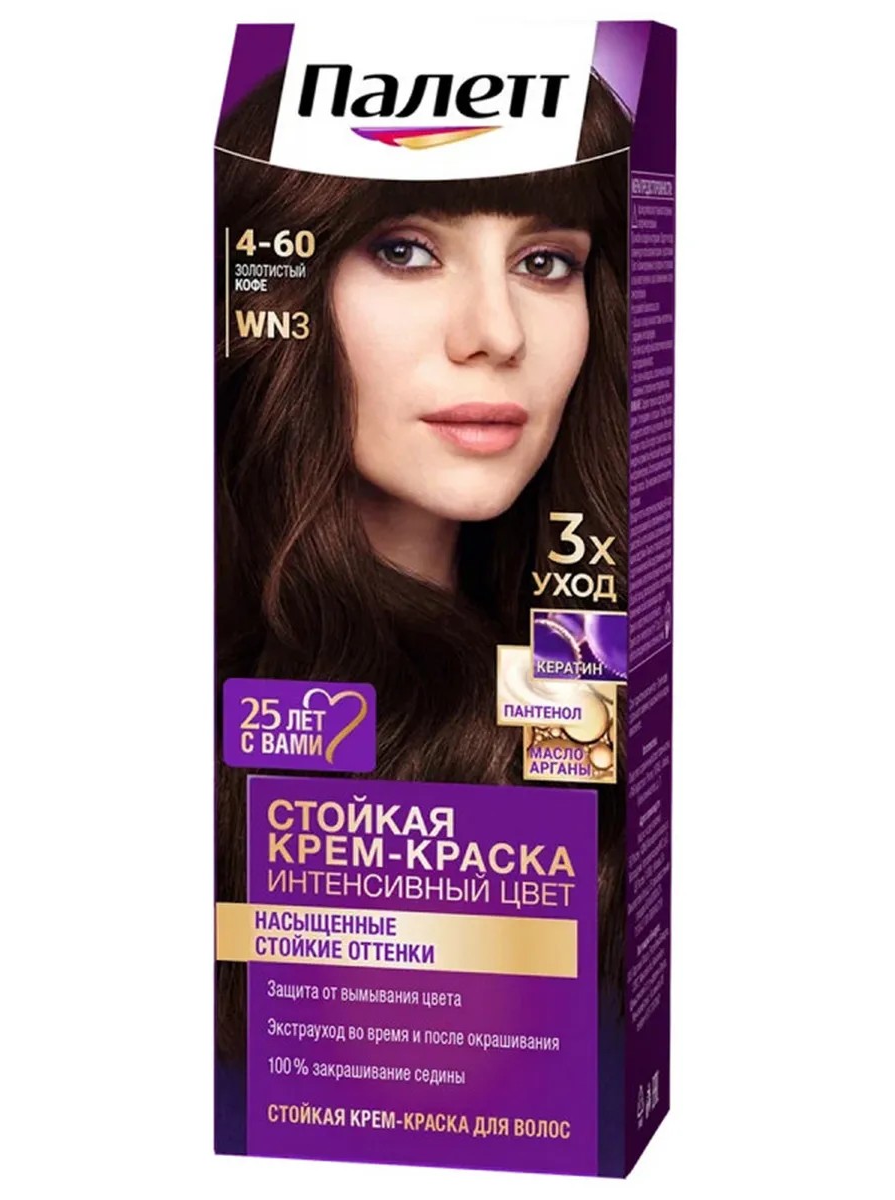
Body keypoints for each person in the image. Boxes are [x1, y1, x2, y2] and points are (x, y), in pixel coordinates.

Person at [215, 70, 631, 1072]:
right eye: (405, 250)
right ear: (277, 288)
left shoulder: (597, 660)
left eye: (545, 262)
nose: (496, 334)